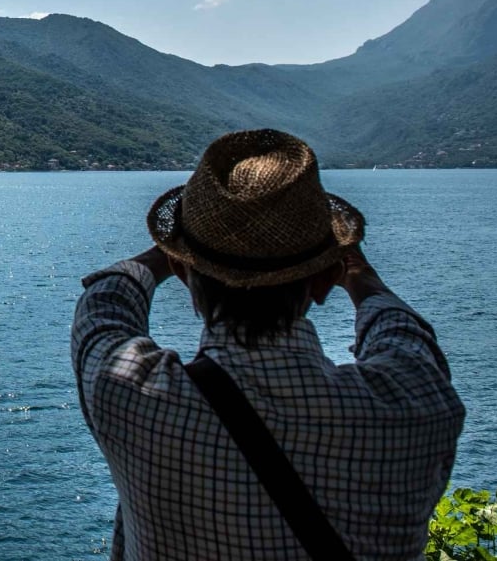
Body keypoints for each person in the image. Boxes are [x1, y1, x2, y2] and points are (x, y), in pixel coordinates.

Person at [71, 128, 464, 560]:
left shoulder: (128, 394)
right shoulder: (419, 405)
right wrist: (362, 279)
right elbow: (404, 337)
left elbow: (105, 304)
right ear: (326, 279)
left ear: (184, 272)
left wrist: (170, 252)